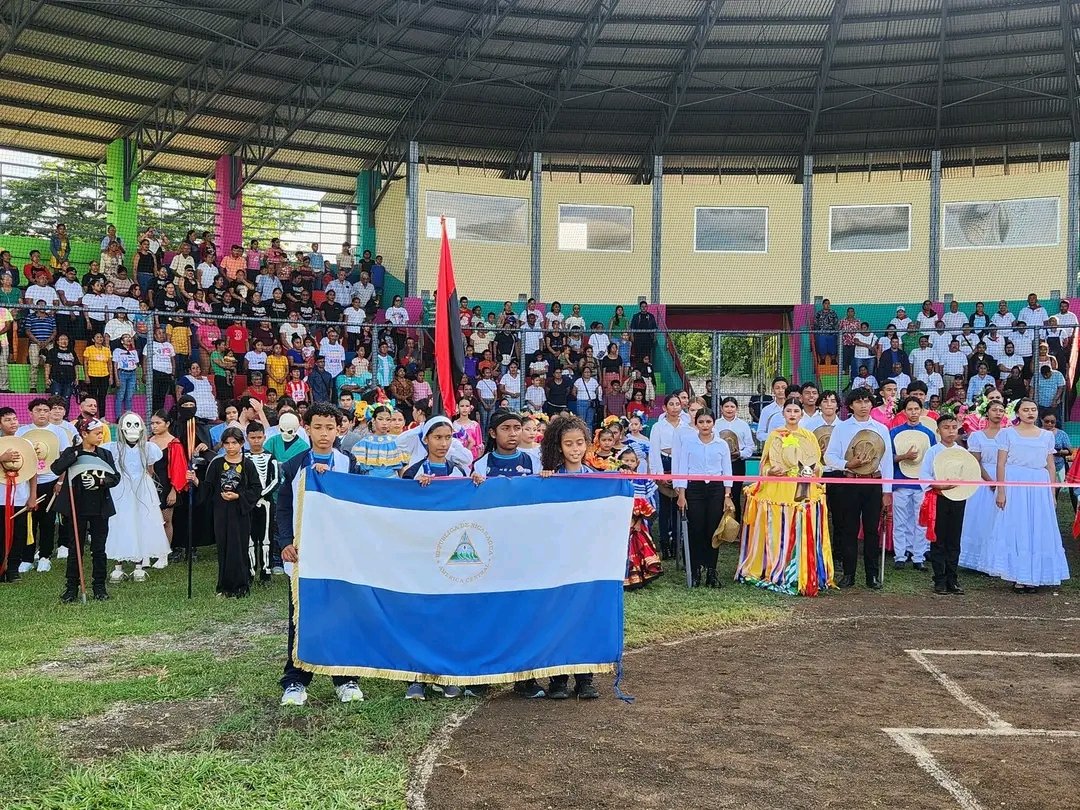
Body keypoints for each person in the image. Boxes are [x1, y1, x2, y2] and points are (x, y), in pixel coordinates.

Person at [277, 402, 363, 705]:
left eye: (330, 427)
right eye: (317, 427)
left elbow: (361, 503)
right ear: (306, 427)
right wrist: (285, 541)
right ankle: (296, 680)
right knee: (302, 616)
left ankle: (346, 678)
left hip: (340, 557)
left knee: (344, 614)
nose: (324, 434)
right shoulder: (293, 466)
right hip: (305, 555)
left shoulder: (348, 463)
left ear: (339, 428)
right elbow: (284, 507)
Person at [738, 397, 833, 596]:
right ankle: (773, 568)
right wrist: (771, 471)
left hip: (802, 490)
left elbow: (818, 465)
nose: (792, 414)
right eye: (789, 411)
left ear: (801, 414)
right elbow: (764, 464)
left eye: (796, 411)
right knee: (776, 531)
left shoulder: (809, 436)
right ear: (784, 413)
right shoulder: (774, 435)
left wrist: (812, 471)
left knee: (801, 531)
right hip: (777, 490)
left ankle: (801, 571)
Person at [536, 413, 599, 700]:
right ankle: (558, 679)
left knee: (584, 618)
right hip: (557, 560)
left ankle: (585, 679)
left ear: (587, 444)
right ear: (558, 446)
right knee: (558, 618)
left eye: (580, 443)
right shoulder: (550, 478)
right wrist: (544, 481)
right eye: (568, 444)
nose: (575, 449)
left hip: (586, 560)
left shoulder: (597, 479)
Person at [988, 399, 1070, 592]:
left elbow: (1050, 465)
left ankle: (1035, 576)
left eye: (1033, 410)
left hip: (1039, 484)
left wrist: (1052, 492)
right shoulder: (1007, 434)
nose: (1030, 413)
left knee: (1038, 527)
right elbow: (1001, 464)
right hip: (1015, 483)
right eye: (1025, 410)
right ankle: (1018, 575)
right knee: (1018, 527)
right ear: (1017, 413)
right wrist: (1001, 490)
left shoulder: (1046, 436)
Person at [823, 388, 894, 589]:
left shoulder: (881, 429)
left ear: (872, 404)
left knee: (872, 529)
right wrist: (847, 464)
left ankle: (871, 575)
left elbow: (887, 462)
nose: (863, 406)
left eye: (867, 402)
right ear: (851, 405)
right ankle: (849, 574)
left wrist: (887, 491)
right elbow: (829, 457)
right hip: (850, 483)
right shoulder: (842, 428)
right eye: (859, 402)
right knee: (848, 529)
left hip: (873, 484)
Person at [52, 418, 121, 602]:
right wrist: (72, 456)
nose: (100, 436)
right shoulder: (72, 452)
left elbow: (115, 478)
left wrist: (100, 481)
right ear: (84, 434)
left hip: (100, 507)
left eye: (101, 433)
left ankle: (99, 586)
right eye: (97, 433)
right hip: (77, 507)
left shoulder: (105, 454)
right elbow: (55, 468)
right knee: (76, 549)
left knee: (99, 549)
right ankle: (71, 588)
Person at [103, 411, 171, 582]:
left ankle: (139, 565)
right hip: (120, 490)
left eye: (136, 425)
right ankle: (118, 565)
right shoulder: (112, 448)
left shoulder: (149, 448)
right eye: (128, 425)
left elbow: (150, 469)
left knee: (142, 522)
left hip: (142, 490)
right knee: (119, 522)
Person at [195, 427, 261, 598]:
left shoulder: (247, 464)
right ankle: (224, 586)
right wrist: (195, 481)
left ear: (241, 443)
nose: (231, 447)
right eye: (227, 443)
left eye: (234, 443)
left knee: (239, 547)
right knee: (224, 547)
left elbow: (256, 488)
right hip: (221, 512)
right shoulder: (216, 463)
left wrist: (238, 495)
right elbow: (208, 488)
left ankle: (241, 586)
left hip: (240, 512)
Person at [673, 408, 732, 588]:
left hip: (716, 489)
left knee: (713, 531)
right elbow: (682, 469)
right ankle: (696, 570)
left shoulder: (722, 444)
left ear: (714, 423)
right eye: (701, 422)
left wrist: (727, 495)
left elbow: (727, 471)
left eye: (708, 422)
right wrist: (681, 494)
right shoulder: (688, 443)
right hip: (694, 489)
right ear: (696, 423)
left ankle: (712, 572)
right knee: (695, 530)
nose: (705, 425)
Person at [958, 400, 1007, 574]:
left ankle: (998, 560)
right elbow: (975, 462)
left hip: (1005, 479)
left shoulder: (1009, 435)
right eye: (994, 410)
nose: (998, 413)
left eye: (1001, 410)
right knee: (981, 519)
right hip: (983, 481)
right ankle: (977, 559)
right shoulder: (977, 436)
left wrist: (1000, 482)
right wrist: (990, 481)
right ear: (987, 413)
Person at [890, 397, 937, 571]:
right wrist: (904, 457)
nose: (913, 413)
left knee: (921, 521)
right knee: (900, 520)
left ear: (921, 410)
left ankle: (919, 556)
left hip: (921, 484)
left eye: (916, 409)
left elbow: (933, 460)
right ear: (904, 412)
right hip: (901, 482)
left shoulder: (929, 434)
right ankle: (900, 556)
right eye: (910, 409)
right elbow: (889, 458)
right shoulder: (894, 433)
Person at [244, 422, 281, 584]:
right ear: (247, 438)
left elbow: (276, 480)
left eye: (259, 437)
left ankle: (266, 571)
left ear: (264, 438)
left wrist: (262, 494)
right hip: (248, 503)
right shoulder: (243, 458)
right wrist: (250, 496)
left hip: (266, 502)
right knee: (249, 537)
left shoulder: (270, 457)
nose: (256, 441)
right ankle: (250, 570)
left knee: (266, 537)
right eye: (253, 438)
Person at [648, 393, 684, 559]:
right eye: (671, 404)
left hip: (681, 465)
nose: (675, 407)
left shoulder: (687, 426)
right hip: (664, 463)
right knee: (665, 509)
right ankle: (664, 544)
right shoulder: (658, 427)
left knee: (679, 506)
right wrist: (659, 475)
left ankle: (677, 543)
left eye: (678, 404)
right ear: (665, 407)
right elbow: (654, 451)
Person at [716, 397, 754, 523]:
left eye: (732, 407)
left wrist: (740, 453)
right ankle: (720, 526)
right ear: (721, 408)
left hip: (737, 464)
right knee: (720, 494)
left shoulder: (743, 425)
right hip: (719, 465)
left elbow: (750, 447)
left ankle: (735, 525)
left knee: (735, 495)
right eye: (726, 406)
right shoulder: (715, 424)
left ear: (736, 409)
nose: (729, 409)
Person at [351, 403, 407, 477]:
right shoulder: (363, 444)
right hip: (370, 483)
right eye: (380, 419)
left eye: (388, 419)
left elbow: (401, 469)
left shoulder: (397, 442)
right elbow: (357, 471)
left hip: (392, 482)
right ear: (373, 420)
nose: (384, 423)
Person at [755, 376, 788, 442]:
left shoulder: (794, 409)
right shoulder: (766, 410)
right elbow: (759, 434)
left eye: (783, 388)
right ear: (773, 390)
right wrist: (775, 436)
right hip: (772, 448)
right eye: (777, 388)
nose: (781, 390)